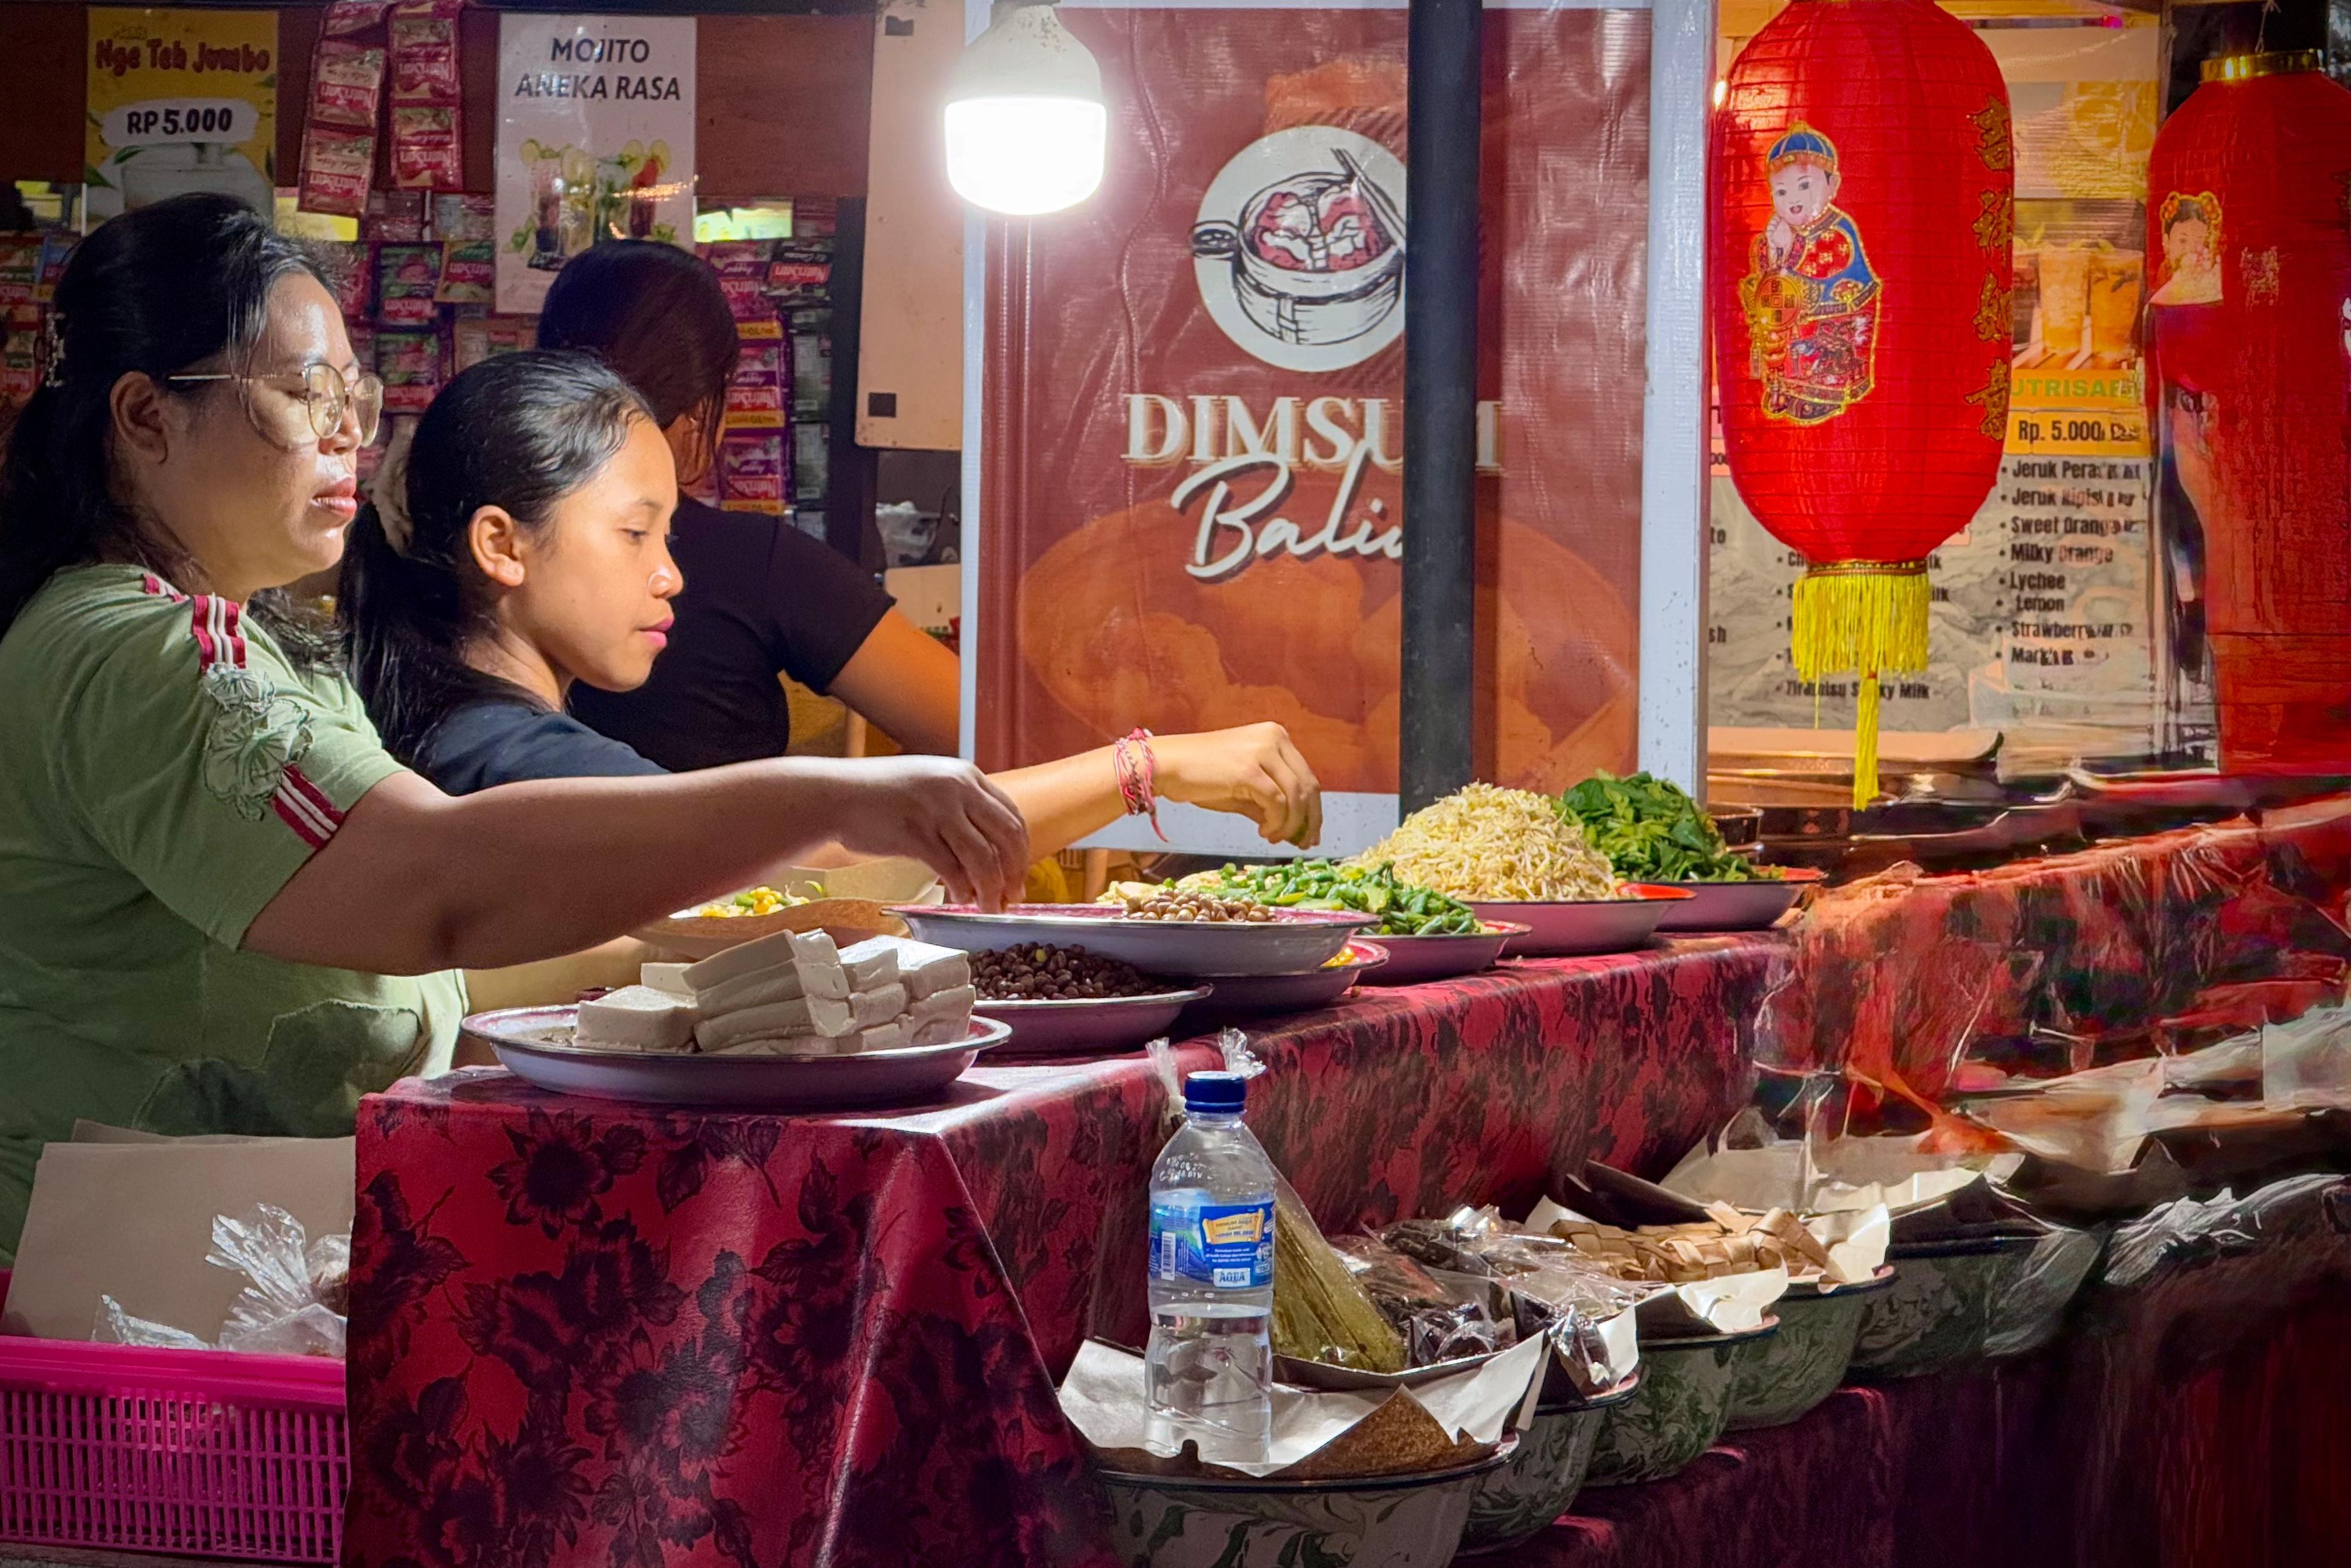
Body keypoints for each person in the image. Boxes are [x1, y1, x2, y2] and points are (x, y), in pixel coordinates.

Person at [0, 194, 1028, 1261]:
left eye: (355, 392)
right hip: (119, 1290)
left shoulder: (248, 640)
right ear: (146, 416)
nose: (351, 430)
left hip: (213, 1260)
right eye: (306, 394)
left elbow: (434, 965)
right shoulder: (142, 651)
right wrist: (828, 798)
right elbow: (437, 885)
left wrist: (732, 957)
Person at [339, 347, 1324, 859]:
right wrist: (1142, 766)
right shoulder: (512, 761)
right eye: (635, 533)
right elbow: (829, 854)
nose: (670, 572)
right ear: (501, 545)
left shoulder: (471, 731)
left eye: (668, 537)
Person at [536, 240, 961, 764]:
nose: (662, 576)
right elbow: (973, 728)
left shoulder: (477, 549)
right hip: (711, 846)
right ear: (698, 410)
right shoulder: (754, 563)